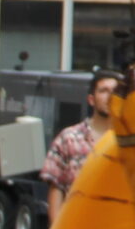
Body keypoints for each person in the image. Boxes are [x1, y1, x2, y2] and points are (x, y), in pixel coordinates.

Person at [40, 70, 120, 219]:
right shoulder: (68, 138)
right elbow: (56, 188)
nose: (110, 96)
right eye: (104, 91)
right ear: (91, 99)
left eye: (115, 91)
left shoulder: (127, 141)